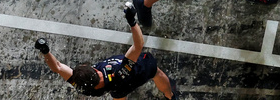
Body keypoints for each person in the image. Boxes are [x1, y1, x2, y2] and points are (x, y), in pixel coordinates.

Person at [36, 6, 178, 99]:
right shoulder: (119, 72)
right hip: (138, 73)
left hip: (118, 90)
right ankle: (170, 95)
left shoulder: (85, 87)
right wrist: (132, 22)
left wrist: (45, 52)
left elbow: (58, 67)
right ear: (95, 71)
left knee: (119, 95)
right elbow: (138, 45)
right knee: (157, 73)